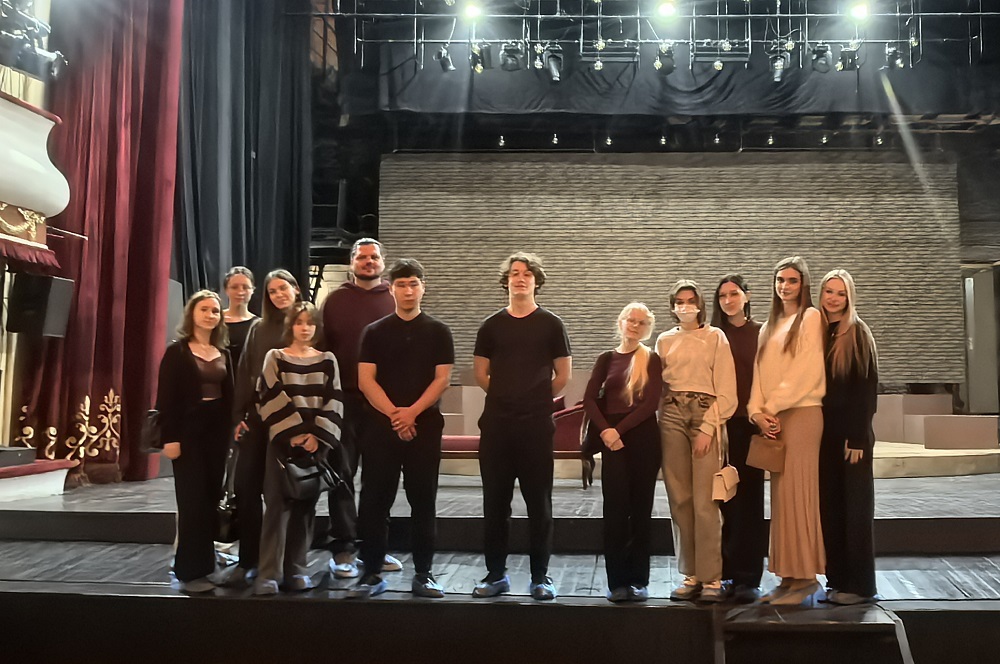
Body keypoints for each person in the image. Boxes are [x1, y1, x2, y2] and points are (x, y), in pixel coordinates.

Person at [349, 259, 455, 599]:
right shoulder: (374, 332)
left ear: (423, 287)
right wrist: (396, 415)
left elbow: (442, 379)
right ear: (391, 289)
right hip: (380, 429)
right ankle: (371, 572)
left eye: (413, 284)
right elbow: (366, 381)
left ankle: (424, 574)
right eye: (401, 285)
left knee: (423, 502)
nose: (408, 290)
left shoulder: (439, 331)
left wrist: (412, 414)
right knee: (374, 502)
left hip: (425, 427)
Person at [472, 252, 571, 601]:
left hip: (536, 428)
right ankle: (495, 574)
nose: (520, 278)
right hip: (497, 427)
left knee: (539, 504)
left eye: (527, 274)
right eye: (514, 273)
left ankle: (540, 577)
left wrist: (534, 398)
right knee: (495, 504)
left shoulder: (552, 324)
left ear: (536, 282)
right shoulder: (491, 326)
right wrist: (506, 397)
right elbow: (481, 374)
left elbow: (564, 375)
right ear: (506, 281)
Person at [748, 256, 827, 605]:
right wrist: (756, 412)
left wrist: (772, 406)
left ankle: (807, 578)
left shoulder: (810, 318)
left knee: (800, 496)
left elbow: (807, 372)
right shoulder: (769, 326)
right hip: (775, 418)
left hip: (802, 414)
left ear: (803, 284)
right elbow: (759, 374)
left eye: (792, 280)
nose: (785, 286)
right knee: (781, 500)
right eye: (780, 280)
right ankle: (788, 578)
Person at [319, 238, 399, 579]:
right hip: (344, 402)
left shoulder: (394, 298)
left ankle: (374, 548)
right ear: (352, 262)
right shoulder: (335, 300)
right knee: (342, 477)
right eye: (362, 257)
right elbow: (323, 351)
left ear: (383, 261)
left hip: (383, 405)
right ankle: (343, 549)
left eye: (374, 256)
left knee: (379, 480)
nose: (369, 261)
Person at [254, 302, 345, 595]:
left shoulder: (328, 360)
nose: (305, 328)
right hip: (283, 444)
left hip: (315, 445)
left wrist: (316, 437)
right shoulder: (276, 357)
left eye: (310, 323)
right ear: (290, 326)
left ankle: (296, 570)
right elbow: (266, 394)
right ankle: (269, 574)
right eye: (299, 322)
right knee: (276, 508)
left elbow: (335, 399)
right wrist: (293, 432)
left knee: (305, 507)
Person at [656, 280, 737, 603]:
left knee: (706, 501)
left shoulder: (715, 337)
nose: (685, 306)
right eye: (679, 301)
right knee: (680, 499)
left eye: (691, 300)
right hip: (672, 414)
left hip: (705, 412)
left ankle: (711, 577)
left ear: (701, 305)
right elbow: (658, 386)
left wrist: (708, 427)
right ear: (672, 306)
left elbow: (727, 390)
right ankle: (690, 574)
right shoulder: (664, 340)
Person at [224, 269, 304, 586]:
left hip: (293, 423)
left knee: (285, 494)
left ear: (295, 289)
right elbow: (245, 372)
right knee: (246, 488)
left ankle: (288, 567)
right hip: (258, 420)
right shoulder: (259, 328)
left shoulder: (307, 324)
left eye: (283, 288)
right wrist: (238, 417)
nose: (278, 295)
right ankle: (248, 561)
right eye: (272, 291)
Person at [583, 302, 663, 603]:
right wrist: (607, 431)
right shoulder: (606, 359)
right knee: (615, 511)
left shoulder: (651, 359)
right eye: (631, 320)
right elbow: (589, 399)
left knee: (640, 511)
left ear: (647, 328)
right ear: (621, 322)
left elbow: (651, 403)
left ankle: (638, 580)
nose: (635, 326)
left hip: (642, 436)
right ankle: (617, 581)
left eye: (641, 323)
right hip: (611, 439)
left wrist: (619, 430)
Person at [155, 290, 234, 593]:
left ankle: (206, 567)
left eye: (215, 310)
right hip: (187, 434)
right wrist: (170, 437)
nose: (211, 315)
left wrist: (232, 435)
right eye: (204, 309)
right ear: (192, 314)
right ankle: (189, 572)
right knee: (192, 503)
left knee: (210, 500)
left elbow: (230, 397)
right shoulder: (177, 352)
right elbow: (165, 400)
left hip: (217, 434)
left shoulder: (223, 352)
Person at [818, 269, 879, 605]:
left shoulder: (857, 333)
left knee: (855, 511)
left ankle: (860, 586)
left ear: (849, 297)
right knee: (831, 509)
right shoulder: (819, 332)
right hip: (825, 436)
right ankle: (838, 580)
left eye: (840, 293)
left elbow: (866, 391)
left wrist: (856, 438)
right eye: (829, 291)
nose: (834, 298)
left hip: (851, 437)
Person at [712, 275, 767, 603]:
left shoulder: (761, 333)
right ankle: (725, 573)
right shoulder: (712, 335)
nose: (728, 300)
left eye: (734, 294)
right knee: (723, 501)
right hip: (718, 426)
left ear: (746, 296)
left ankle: (748, 577)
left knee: (749, 503)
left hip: (749, 425)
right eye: (722, 296)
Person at [222, 266, 259, 370]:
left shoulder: (258, 325)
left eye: (245, 287)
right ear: (226, 290)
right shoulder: (215, 320)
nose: (240, 292)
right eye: (234, 287)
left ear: (252, 290)